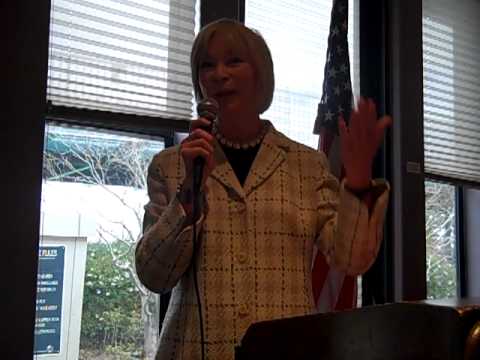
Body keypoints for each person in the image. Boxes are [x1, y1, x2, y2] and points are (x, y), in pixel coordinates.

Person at [135, 18, 392, 360]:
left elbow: (351, 259)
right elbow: (155, 275)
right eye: (206, 65)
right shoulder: (171, 166)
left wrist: (358, 183)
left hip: (286, 349)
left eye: (233, 61)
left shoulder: (307, 165)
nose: (219, 73)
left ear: (261, 75)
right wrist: (187, 197)